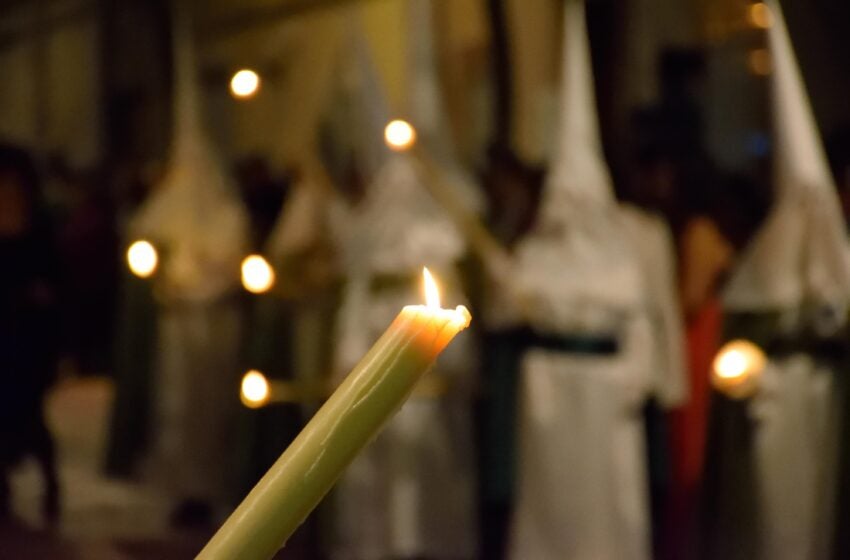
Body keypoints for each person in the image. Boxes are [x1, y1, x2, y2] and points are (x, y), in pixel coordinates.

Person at [508, 3, 654, 558]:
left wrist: (634, 379)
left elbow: (636, 317)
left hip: (604, 386)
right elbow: (513, 303)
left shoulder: (621, 252)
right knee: (554, 499)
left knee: (604, 501)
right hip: (551, 385)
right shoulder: (537, 253)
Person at [0, 144, 62, 526]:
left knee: (30, 414)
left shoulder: (37, 225)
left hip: (28, 336)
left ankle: (49, 481)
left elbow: (54, 277)